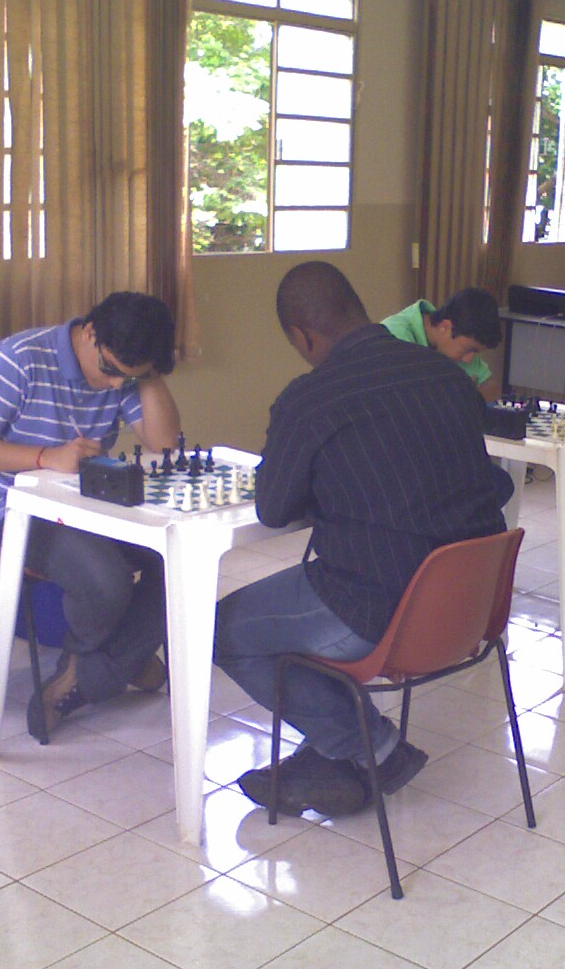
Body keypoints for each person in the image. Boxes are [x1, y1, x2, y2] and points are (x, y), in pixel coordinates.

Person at [215, 262, 513, 817]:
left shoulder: (310, 398)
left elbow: (273, 509)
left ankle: (375, 749)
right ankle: (332, 762)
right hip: (471, 605)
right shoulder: (448, 376)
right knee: (291, 614)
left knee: (224, 631)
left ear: (303, 337)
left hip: (381, 609)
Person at [0, 291, 181, 738]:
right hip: (10, 509)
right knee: (105, 581)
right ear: (90, 332)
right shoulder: (17, 360)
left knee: (178, 559)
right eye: (110, 370)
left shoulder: (125, 368)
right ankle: (121, 660)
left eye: (129, 377)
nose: (116, 385)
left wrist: (147, 374)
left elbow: (165, 445)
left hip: (89, 506)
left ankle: (89, 673)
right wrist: (44, 458)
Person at [381, 288, 504, 400]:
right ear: (445, 327)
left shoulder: (461, 339)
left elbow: (491, 387)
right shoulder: (393, 337)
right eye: (468, 350)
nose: (469, 360)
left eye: (475, 352)